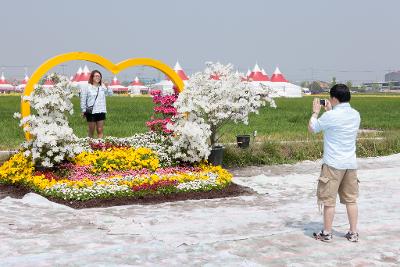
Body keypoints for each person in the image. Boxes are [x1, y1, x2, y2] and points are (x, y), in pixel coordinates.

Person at [308, 84, 361, 242]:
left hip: (332, 164)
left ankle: (327, 233)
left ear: (334, 98)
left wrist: (315, 112)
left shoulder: (330, 117)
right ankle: (353, 233)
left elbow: (313, 128)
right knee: (351, 200)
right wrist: (330, 111)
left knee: (329, 201)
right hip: (350, 164)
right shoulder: (355, 114)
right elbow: (339, 126)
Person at [80, 70, 108, 138]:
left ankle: (100, 146)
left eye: (99, 76)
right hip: (91, 111)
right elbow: (83, 99)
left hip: (101, 110)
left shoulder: (102, 87)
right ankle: (90, 146)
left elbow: (107, 91)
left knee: (100, 130)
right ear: (92, 77)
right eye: (96, 76)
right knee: (91, 130)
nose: (97, 77)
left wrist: (105, 84)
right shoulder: (87, 87)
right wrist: (83, 110)